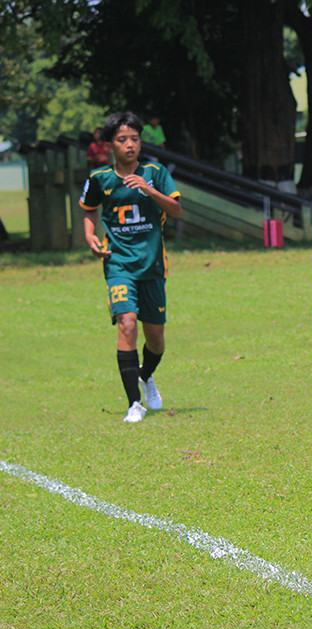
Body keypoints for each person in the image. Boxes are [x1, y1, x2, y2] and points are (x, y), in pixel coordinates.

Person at [81, 111, 183, 423]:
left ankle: (145, 375)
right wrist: (90, 236)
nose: (129, 145)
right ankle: (134, 404)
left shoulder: (156, 173)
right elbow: (89, 210)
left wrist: (150, 190)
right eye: (122, 140)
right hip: (118, 264)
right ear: (110, 144)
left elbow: (177, 210)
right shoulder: (99, 178)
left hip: (152, 266)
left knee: (156, 339)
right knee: (126, 324)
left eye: (135, 139)